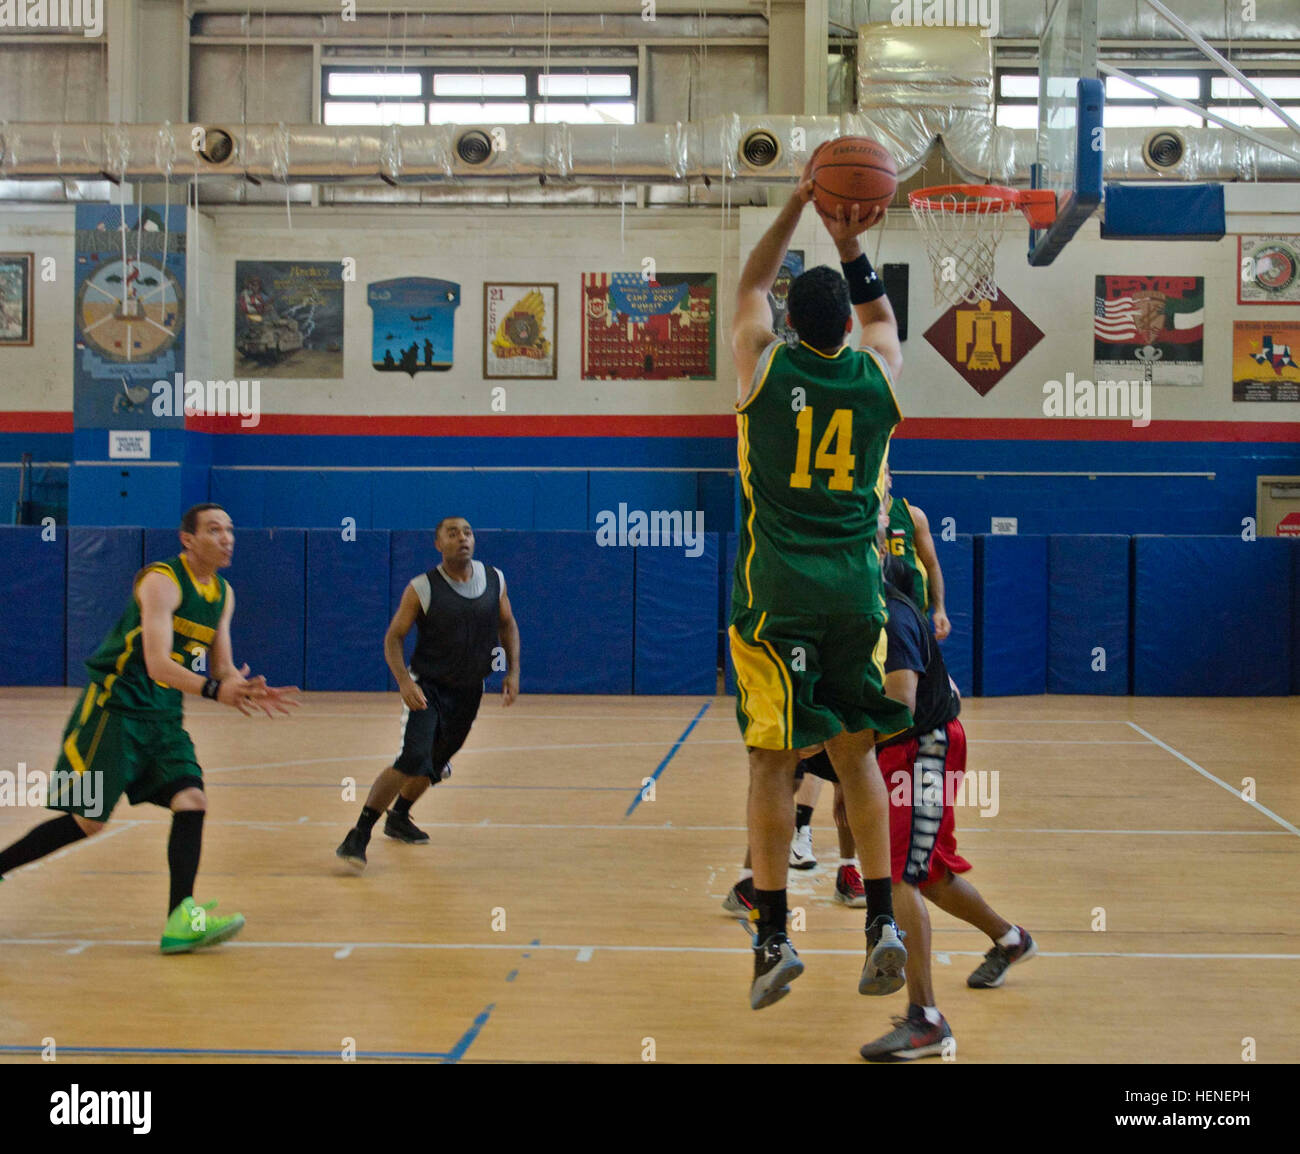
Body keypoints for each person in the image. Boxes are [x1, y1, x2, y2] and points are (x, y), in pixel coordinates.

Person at [728, 158, 912, 1012]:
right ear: (846, 324)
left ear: (790, 324)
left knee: (773, 759)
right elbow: (882, 317)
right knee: (854, 752)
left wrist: (797, 203)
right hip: (854, 596)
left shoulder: (763, 366)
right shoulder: (877, 373)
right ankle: (881, 922)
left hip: (777, 596)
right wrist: (849, 238)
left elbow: (749, 286)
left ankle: (773, 937)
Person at [0, 503, 299, 953]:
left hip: (163, 716)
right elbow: (158, 664)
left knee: (192, 800)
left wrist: (244, 687)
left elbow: (221, 666)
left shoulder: (222, 593)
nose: (226, 538)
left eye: (229, 530)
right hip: (115, 710)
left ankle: (181, 919)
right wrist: (216, 690)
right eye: (214, 530)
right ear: (188, 539)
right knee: (88, 821)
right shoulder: (162, 581)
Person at [335, 517, 520, 870]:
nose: (462, 538)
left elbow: (507, 624)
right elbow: (394, 638)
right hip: (428, 689)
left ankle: (399, 817)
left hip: (469, 691)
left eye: (467, 532)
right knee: (412, 758)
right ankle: (358, 834)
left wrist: (513, 671)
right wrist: (405, 682)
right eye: (453, 533)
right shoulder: (422, 587)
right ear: (438, 544)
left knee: (434, 764)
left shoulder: (494, 579)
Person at [883, 463, 950, 639]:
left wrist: (940, 609)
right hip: (875, 610)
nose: (879, 477)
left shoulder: (912, 515)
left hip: (913, 610)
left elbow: (932, 565)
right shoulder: (859, 517)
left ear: (890, 480)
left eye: (883, 473)